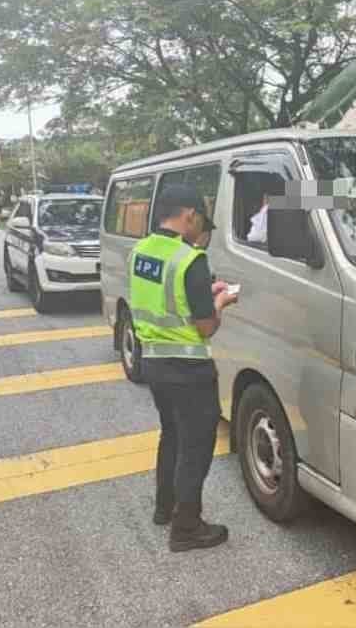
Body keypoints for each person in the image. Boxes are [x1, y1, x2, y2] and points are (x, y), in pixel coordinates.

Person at [128, 184, 238, 553]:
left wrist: (203, 293)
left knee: (171, 435)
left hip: (154, 363)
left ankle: (165, 508)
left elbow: (164, 297)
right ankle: (187, 528)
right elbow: (206, 326)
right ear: (189, 214)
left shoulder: (140, 251)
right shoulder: (190, 258)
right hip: (189, 367)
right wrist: (220, 300)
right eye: (200, 219)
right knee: (195, 446)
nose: (201, 227)